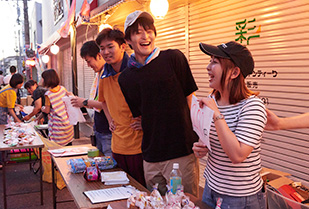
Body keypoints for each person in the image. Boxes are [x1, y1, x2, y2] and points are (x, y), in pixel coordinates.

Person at [118, 11, 199, 196]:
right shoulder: (126, 78)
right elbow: (141, 113)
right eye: (138, 32)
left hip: (181, 152)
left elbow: (190, 100)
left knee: (184, 204)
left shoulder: (173, 58)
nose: (145, 36)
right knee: (156, 203)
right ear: (128, 40)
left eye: (149, 30)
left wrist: (199, 136)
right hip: (150, 156)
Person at [192, 41, 267, 209]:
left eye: (215, 62)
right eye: (210, 61)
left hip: (240, 197)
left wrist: (217, 115)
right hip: (211, 188)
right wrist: (201, 148)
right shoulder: (213, 100)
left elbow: (237, 155)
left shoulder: (253, 107)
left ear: (234, 72)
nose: (208, 67)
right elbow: (210, 141)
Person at [95, 28, 145, 186]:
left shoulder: (137, 70)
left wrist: (145, 121)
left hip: (139, 146)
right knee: (121, 190)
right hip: (117, 145)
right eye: (102, 48)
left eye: (110, 47)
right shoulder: (104, 74)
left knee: (141, 190)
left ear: (123, 46)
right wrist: (110, 119)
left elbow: (153, 102)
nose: (106, 52)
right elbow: (103, 101)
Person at [71, 41, 112, 156]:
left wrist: (84, 102)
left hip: (108, 131)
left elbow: (106, 103)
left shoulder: (108, 75)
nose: (88, 65)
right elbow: (98, 100)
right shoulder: (99, 74)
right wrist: (82, 102)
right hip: (99, 128)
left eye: (89, 61)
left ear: (99, 55)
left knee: (110, 167)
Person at [41, 69, 74, 146]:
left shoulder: (48, 94)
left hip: (57, 128)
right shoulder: (63, 89)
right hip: (67, 124)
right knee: (68, 148)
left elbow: (47, 110)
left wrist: (42, 108)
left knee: (57, 150)